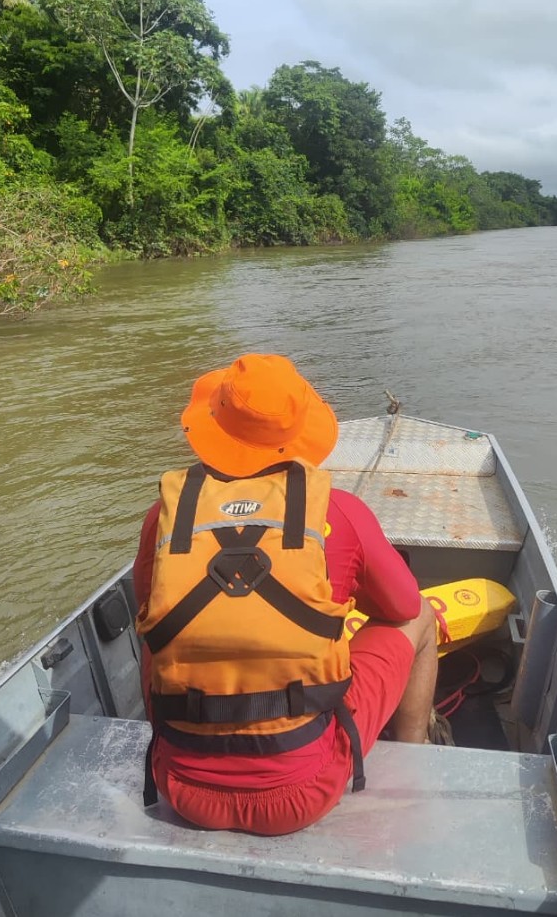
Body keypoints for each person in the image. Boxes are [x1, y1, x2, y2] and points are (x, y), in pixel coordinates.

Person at [132, 353, 438, 836]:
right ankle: (413, 753)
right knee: (420, 616)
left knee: (154, 626)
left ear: (213, 422)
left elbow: (149, 614)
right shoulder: (340, 509)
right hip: (305, 791)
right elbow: (401, 606)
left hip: (182, 788)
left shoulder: (164, 517)